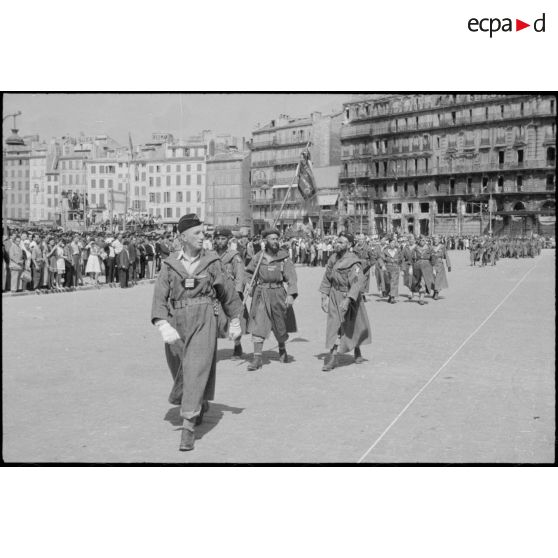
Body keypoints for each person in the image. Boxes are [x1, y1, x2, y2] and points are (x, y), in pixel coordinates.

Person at [151, 214, 242, 451]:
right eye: (198, 233)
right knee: (180, 369)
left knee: (195, 368)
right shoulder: (170, 264)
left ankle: (188, 426)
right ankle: (198, 400)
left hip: (204, 319)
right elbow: (160, 298)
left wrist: (234, 320)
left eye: (204, 233)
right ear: (183, 237)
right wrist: (163, 324)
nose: (203, 237)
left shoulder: (212, 263)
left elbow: (228, 294)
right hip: (176, 321)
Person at [244, 228, 298, 371]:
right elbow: (249, 273)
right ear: (265, 241)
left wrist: (291, 294)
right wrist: (249, 284)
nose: (275, 241)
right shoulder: (258, 257)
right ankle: (257, 358)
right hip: (261, 293)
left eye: (276, 239)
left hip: (278, 293)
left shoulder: (284, 257)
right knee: (258, 324)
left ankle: (282, 348)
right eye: (272, 239)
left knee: (280, 326)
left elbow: (292, 277)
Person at [319, 232, 371, 371]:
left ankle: (357, 350)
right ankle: (333, 358)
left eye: (341, 242)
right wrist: (324, 295)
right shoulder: (333, 258)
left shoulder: (354, 261)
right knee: (334, 326)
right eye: (337, 241)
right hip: (335, 295)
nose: (337, 244)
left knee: (352, 325)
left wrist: (348, 299)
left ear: (349, 245)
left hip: (349, 297)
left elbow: (357, 282)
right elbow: (327, 277)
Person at [213, 226, 246, 359]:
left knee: (234, 320)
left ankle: (237, 346)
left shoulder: (234, 255)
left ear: (228, 240)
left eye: (223, 238)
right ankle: (211, 349)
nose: (220, 241)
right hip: (214, 293)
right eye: (218, 239)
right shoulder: (210, 255)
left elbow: (239, 275)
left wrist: (238, 292)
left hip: (230, 293)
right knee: (213, 321)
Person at [411, 236, 435, 305]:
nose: (422, 241)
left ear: (425, 241)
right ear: (419, 240)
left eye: (423, 240)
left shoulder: (429, 248)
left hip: (427, 266)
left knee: (423, 281)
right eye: (421, 240)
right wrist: (411, 267)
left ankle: (421, 297)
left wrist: (433, 268)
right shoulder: (415, 248)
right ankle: (419, 295)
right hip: (417, 266)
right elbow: (412, 258)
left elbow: (433, 258)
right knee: (418, 281)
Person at [380, 236, 403, 304]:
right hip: (387, 267)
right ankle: (390, 294)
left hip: (395, 267)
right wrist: (383, 265)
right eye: (391, 243)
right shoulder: (385, 250)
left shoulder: (398, 250)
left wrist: (402, 269)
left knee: (394, 282)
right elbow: (381, 259)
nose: (393, 244)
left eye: (394, 243)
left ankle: (393, 297)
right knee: (388, 282)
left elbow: (402, 259)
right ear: (389, 243)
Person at [430, 235, 451, 300]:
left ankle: (436, 292)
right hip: (432, 264)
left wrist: (448, 265)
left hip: (439, 264)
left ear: (439, 240)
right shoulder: (430, 247)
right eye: (434, 239)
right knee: (432, 279)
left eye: (436, 239)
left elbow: (446, 256)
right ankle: (434, 290)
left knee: (438, 279)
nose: (435, 241)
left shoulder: (442, 247)